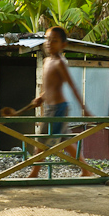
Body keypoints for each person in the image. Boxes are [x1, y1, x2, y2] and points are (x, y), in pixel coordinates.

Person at [28, 26, 93, 178]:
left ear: (63, 44)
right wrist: (41, 98)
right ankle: (86, 170)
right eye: (47, 39)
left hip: (58, 108)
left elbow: (72, 86)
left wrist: (85, 109)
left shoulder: (60, 62)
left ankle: (34, 172)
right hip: (51, 107)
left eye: (54, 40)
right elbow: (51, 87)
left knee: (42, 140)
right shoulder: (46, 61)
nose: (49, 43)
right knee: (64, 142)